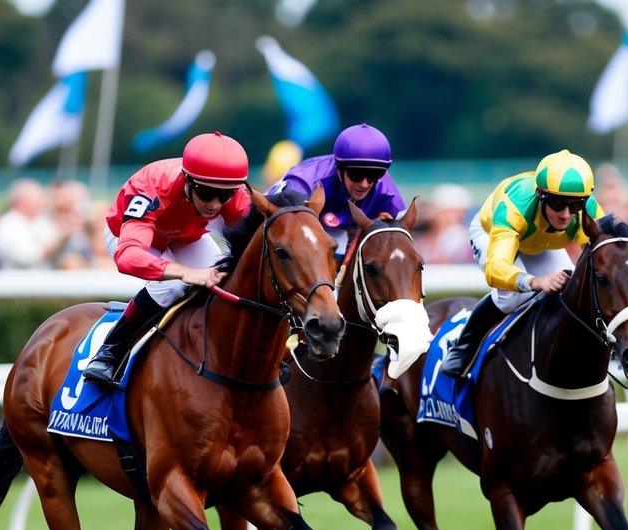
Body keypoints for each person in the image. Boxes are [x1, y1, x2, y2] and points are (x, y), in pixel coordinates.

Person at [81, 131, 252, 385]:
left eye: (224, 195)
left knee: (226, 277)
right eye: (206, 193)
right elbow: (128, 256)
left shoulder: (234, 194)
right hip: (130, 235)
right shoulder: (152, 188)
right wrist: (184, 272)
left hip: (184, 235)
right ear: (188, 180)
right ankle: (110, 352)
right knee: (173, 285)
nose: (215, 204)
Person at [440, 149, 601, 379]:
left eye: (575, 206)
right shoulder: (515, 207)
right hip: (492, 233)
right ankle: (465, 346)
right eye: (557, 204)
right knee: (511, 296)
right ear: (540, 195)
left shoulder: (589, 210)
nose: (566, 215)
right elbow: (497, 269)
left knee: (573, 286)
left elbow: (601, 255)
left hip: (540, 241)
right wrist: (535, 281)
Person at [268, 123, 405, 259]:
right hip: (294, 223)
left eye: (374, 175)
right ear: (339, 170)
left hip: (344, 232)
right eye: (356, 175)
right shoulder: (304, 184)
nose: (364, 184)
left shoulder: (389, 196)